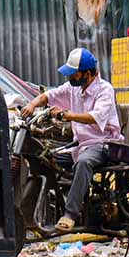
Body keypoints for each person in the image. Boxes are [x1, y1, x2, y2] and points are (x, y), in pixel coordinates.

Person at [21, 48, 122, 233]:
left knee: (84, 163)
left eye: (74, 75)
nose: (70, 79)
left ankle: (70, 215)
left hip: (103, 144)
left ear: (88, 73)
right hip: (79, 145)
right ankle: (34, 214)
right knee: (43, 157)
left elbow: (94, 117)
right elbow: (50, 96)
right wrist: (32, 104)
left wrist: (67, 115)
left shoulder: (105, 90)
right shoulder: (73, 88)